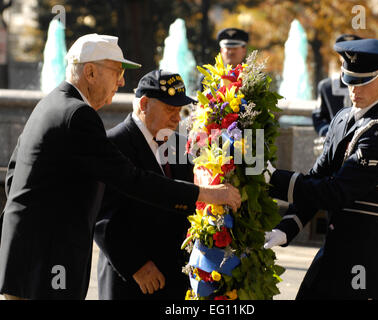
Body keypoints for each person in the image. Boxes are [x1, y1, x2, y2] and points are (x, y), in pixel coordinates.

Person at [0, 34, 241, 300]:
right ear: (90, 72)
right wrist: (206, 194)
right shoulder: (79, 114)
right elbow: (131, 179)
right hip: (48, 263)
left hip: (29, 262)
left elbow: (14, 176)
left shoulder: (51, 103)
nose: (122, 81)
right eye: (116, 71)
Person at [264, 39, 378, 300]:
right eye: (350, 81)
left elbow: (335, 192)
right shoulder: (343, 118)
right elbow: (317, 179)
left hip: (364, 256)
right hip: (335, 248)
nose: (354, 90)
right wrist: (288, 227)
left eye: (364, 81)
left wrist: (273, 178)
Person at [94, 70, 195, 300]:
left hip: (174, 280)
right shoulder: (113, 143)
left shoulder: (180, 144)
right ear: (144, 104)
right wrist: (136, 265)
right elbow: (101, 217)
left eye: (180, 111)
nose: (177, 118)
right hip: (132, 283)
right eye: (170, 109)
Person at [312, 34, 362, 156]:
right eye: (345, 54)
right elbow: (318, 116)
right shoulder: (326, 86)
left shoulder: (369, 84)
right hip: (333, 147)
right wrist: (329, 133)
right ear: (340, 56)